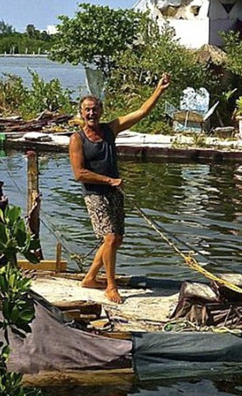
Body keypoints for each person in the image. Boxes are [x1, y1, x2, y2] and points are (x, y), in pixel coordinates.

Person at [69, 74, 171, 303]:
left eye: (95, 109)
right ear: (81, 113)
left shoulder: (110, 130)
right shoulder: (77, 139)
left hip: (114, 192)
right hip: (95, 194)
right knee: (110, 237)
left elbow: (141, 112)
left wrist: (159, 90)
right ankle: (111, 286)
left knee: (117, 239)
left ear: (101, 111)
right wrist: (108, 181)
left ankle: (90, 278)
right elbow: (79, 173)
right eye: (87, 110)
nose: (91, 113)